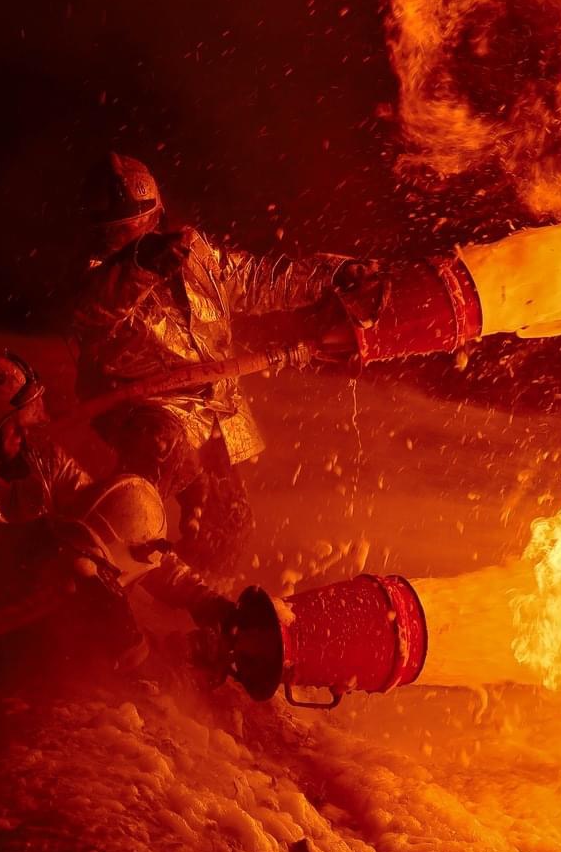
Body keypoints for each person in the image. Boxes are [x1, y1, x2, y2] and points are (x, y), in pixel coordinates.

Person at [71, 152, 353, 569]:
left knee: (227, 526)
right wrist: (139, 265)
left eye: (147, 224)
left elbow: (251, 280)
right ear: (101, 233)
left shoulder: (191, 249)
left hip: (214, 408)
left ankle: (204, 596)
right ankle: (99, 568)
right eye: (125, 232)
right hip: (143, 411)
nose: (141, 236)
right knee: (150, 477)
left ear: (159, 213)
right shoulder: (94, 276)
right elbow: (93, 314)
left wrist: (333, 275)